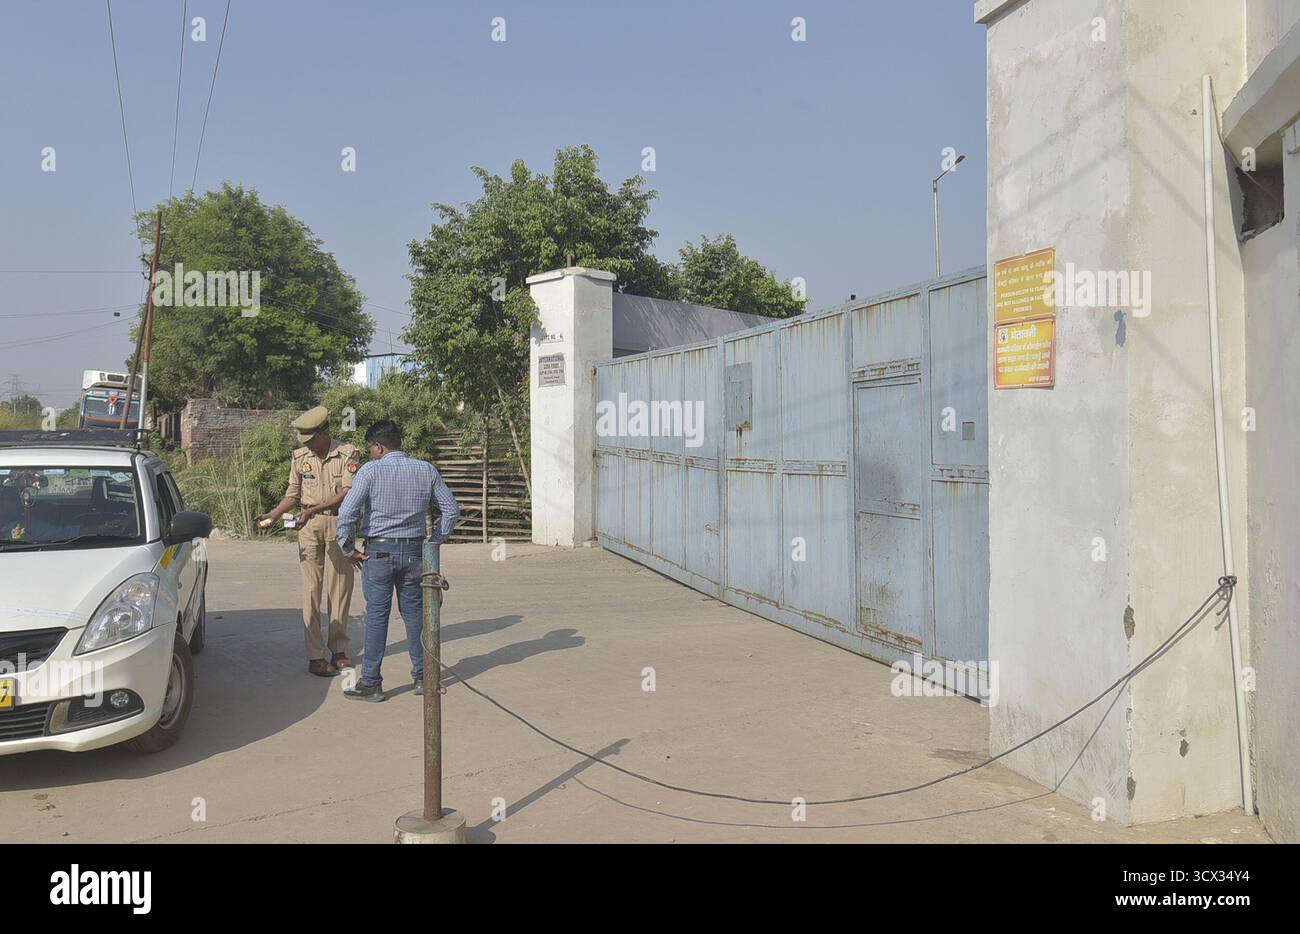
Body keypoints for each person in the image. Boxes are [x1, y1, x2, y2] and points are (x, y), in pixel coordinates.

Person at [336, 419, 460, 702]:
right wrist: (435, 541)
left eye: (371, 448)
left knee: (377, 617)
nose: (370, 453)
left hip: (377, 553)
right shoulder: (425, 469)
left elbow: (346, 514)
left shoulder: (369, 472)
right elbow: (451, 510)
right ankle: (422, 678)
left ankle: (371, 683)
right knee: (415, 615)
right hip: (416, 553)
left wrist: (347, 548)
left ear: (379, 447)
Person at [255, 406, 360, 677]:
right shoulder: (300, 457)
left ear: (325, 433)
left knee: (340, 589)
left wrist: (312, 509)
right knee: (311, 591)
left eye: (311, 439)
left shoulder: (348, 454)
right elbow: (293, 494)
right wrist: (274, 514)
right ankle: (315, 656)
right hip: (308, 527)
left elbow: (348, 493)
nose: (308, 445)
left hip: (339, 524)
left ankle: (338, 649)